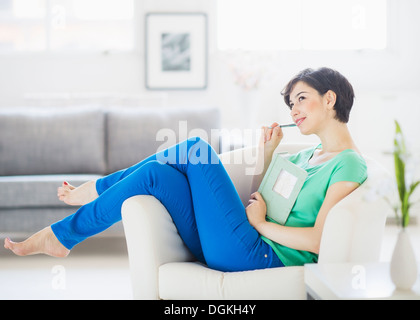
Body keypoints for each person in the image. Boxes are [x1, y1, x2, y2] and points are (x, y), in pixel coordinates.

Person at [4, 67, 367, 272]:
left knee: (195, 149)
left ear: (330, 99)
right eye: (290, 104)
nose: (293, 110)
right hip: (238, 240)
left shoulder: (347, 162)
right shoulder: (306, 154)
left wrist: (260, 225)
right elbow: (262, 197)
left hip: (260, 255)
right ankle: (63, 237)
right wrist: (268, 154)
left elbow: (320, 240)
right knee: (157, 177)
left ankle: (96, 190)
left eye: (301, 99)